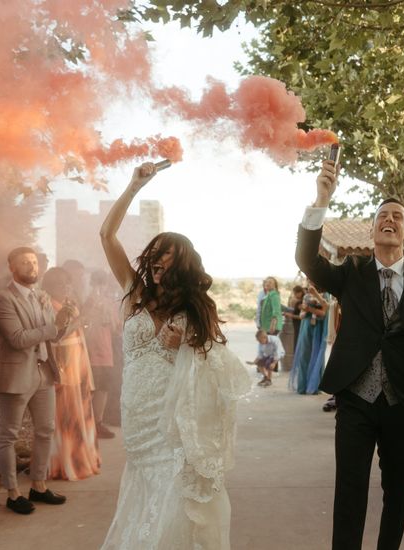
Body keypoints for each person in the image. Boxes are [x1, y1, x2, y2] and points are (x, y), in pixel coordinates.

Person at [297, 159, 404, 550]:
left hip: (402, 402)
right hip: (355, 398)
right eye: (382, 216)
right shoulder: (351, 271)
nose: (389, 220)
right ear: (373, 230)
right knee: (350, 490)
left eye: (397, 217)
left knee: (396, 491)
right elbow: (307, 261)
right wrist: (322, 198)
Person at [98, 162, 250, 550]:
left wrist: (187, 345)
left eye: (167, 255)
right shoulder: (135, 293)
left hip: (174, 426)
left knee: (176, 502)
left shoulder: (198, 309)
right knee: (148, 495)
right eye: (155, 253)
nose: (158, 260)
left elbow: (221, 366)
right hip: (138, 422)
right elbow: (106, 234)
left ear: (182, 263)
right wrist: (134, 186)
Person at [0, 247, 74, 514]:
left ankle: (38, 485)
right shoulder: (3, 299)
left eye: (34, 262)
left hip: (43, 373)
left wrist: (65, 322)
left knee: (45, 430)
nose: (31, 266)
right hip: (16, 374)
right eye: (24, 262)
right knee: (9, 435)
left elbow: (52, 336)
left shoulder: (42, 296)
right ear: (11, 267)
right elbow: (17, 339)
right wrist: (52, 327)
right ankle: (13, 493)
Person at [42, 267, 102, 481]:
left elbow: (80, 328)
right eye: (60, 283)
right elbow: (56, 335)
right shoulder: (47, 304)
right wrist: (80, 319)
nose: (65, 287)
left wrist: (85, 320)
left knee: (82, 408)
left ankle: (85, 456)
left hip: (78, 358)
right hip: (63, 360)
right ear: (50, 285)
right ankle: (66, 462)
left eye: (67, 283)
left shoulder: (69, 302)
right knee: (66, 412)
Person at [84, 270, 117, 439]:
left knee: (103, 388)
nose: (101, 287)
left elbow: (114, 328)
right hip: (90, 350)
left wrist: (109, 317)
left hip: (105, 351)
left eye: (103, 283)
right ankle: (87, 424)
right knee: (90, 388)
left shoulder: (109, 303)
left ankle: (98, 423)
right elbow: (83, 323)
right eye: (98, 283)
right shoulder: (88, 300)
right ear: (92, 284)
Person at [288, 282, 330, 395]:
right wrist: (303, 311)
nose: (310, 281)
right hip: (307, 326)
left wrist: (310, 309)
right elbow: (302, 315)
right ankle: (302, 386)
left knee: (316, 355)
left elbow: (324, 312)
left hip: (318, 328)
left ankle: (314, 386)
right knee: (303, 355)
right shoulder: (306, 296)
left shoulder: (325, 295)